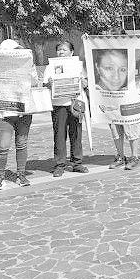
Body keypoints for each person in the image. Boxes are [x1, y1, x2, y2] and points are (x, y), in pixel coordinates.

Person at [0, 39, 41, 189]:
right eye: (14, 51)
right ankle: (0, 177)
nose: (17, 53)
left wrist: (30, 67)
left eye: (19, 50)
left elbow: (34, 82)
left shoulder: (27, 64)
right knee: (2, 147)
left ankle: (21, 175)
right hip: (5, 112)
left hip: (24, 111)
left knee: (22, 144)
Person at [42, 41, 88, 177]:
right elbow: (45, 84)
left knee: (76, 134)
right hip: (58, 105)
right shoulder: (51, 66)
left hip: (76, 103)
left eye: (64, 49)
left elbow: (86, 82)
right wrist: (49, 84)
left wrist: (84, 82)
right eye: (59, 50)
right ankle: (59, 164)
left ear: (72, 52)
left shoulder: (79, 65)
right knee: (59, 135)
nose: (61, 52)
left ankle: (77, 163)